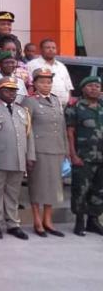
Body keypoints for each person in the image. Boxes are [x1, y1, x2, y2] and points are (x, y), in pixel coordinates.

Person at [0, 76, 35, 240]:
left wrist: (30, 156)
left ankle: (13, 224)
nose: (11, 93)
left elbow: (29, 136)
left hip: (18, 157)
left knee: (13, 194)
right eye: (7, 90)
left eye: (14, 90)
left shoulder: (22, 110)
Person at [22, 68, 68, 237]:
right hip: (39, 150)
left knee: (53, 187)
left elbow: (61, 127)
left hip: (56, 149)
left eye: (49, 82)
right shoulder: (30, 101)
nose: (46, 85)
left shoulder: (56, 101)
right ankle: (37, 220)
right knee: (38, 186)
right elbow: (27, 129)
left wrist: (65, 150)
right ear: (34, 84)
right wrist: (30, 153)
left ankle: (48, 220)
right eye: (42, 82)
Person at [65, 75, 103, 237]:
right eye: (90, 86)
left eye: (97, 86)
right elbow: (70, 133)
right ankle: (79, 221)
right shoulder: (75, 107)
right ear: (83, 89)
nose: (94, 88)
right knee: (80, 189)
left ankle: (93, 221)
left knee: (99, 190)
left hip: (101, 157)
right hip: (83, 156)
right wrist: (72, 155)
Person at [27, 38, 73, 107]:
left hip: (62, 108)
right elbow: (29, 86)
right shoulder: (32, 65)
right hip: (41, 107)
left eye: (53, 48)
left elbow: (68, 87)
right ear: (41, 50)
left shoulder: (61, 66)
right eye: (48, 47)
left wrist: (69, 102)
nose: (51, 50)